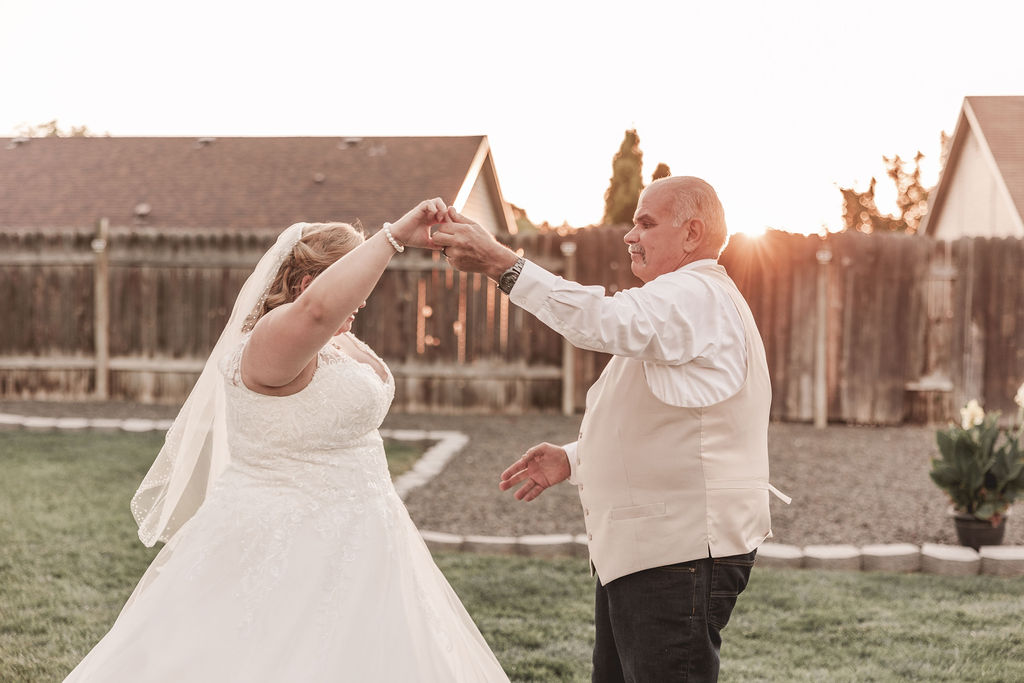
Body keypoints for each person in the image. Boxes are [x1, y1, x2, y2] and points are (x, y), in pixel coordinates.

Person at [65, 200, 509, 682]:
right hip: (285, 538)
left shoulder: (338, 340)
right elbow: (319, 311)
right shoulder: (270, 340)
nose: (362, 300)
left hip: (368, 532)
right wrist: (395, 236)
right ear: (306, 286)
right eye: (356, 288)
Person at [432, 176, 790, 682]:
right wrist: (573, 459)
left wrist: (501, 263)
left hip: (678, 554)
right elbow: (676, 413)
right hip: (655, 551)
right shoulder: (685, 300)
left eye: (646, 223)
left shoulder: (693, 294)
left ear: (691, 233)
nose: (630, 235)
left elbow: (600, 319)